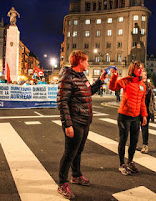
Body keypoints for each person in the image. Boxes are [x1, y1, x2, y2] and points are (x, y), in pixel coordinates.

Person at [57, 50, 107, 199]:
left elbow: (88, 92)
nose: (88, 63)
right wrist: (67, 125)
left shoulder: (81, 76)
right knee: (69, 153)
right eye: (86, 61)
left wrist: (100, 80)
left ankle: (76, 175)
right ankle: (62, 184)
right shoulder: (67, 77)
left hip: (85, 120)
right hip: (75, 121)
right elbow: (62, 102)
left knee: (78, 151)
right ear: (79, 62)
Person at [109, 61, 148, 175]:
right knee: (123, 139)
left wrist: (144, 115)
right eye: (138, 68)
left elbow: (142, 102)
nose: (140, 70)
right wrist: (114, 76)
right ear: (132, 69)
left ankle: (130, 162)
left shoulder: (142, 85)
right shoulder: (126, 80)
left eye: (141, 68)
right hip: (124, 116)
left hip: (136, 117)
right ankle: (122, 164)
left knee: (134, 141)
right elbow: (112, 87)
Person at [137, 70, 155, 154]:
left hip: (146, 110)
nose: (144, 76)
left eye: (145, 75)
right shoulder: (137, 84)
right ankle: (135, 144)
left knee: (145, 128)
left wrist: (152, 111)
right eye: (142, 75)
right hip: (137, 110)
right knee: (136, 129)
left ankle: (145, 145)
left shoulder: (149, 87)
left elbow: (152, 100)